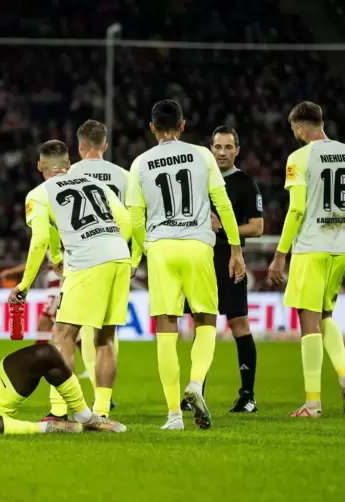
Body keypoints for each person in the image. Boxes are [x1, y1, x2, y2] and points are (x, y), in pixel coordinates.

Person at [126, 100, 245, 430]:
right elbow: (222, 203)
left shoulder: (140, 163)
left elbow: (135, 216)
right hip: (197, 245)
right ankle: (195, 382)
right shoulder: (202, 155)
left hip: (161, 247)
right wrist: (235, 248)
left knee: (166, 329)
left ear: (152, 127)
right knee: (205, 319)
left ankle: (173, 416)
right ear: (182, 125)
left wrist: (140, 253)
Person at [8, 140, 131, 427]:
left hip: (88, 261)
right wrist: (108, 247)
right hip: (119, 256)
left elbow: (38, 238)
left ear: (40, 166)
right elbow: (127, 220)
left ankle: (61, 411)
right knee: (105, 337)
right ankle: (101, 412)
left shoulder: (39, 194)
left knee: (62, 335)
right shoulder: (93, 182)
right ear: (68, 165)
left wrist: (24, 284)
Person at [268, 101, 345, 418]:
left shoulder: (298, 158)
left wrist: (280, 253)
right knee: (326, 316)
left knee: (309, 322)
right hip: (340, 247)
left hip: (310, 246)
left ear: (299, 128)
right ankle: (343, 375)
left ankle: (312, 403)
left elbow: (297, 209)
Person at [182, 126, 264, 413]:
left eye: (228, 147)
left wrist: (224, 228)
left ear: (237, 150)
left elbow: (257, 226)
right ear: (211, 148)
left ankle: (248, 396)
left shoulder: (244, 183)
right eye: (217, 147)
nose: (222, 152)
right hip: (200, 260)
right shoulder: (200, 180)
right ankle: (196, 392)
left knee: (238, 323)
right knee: (201, 325)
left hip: (231, 260)